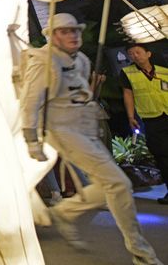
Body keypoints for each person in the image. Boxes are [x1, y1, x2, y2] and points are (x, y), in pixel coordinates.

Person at [20, 13, 163, 264]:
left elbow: (83, 95)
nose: (73, 35)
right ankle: (142, 254)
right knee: (119, 184)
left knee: (107, 185)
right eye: (64, 31)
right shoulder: (43, 62)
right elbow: (30, 103)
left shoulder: (82, 60)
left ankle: (65, 212)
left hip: (86, 129)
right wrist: (32, 140)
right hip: (63, 131)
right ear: (52, 36)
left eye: (74, 30)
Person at [121, 43, 168, 205]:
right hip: (151, 118)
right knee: (161, 154)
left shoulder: (164, 70)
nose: (134, 55)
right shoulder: (128, 73)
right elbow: (128, 94)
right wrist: (130, 116)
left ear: (148, 54)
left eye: (138, 52)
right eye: (131, 53)